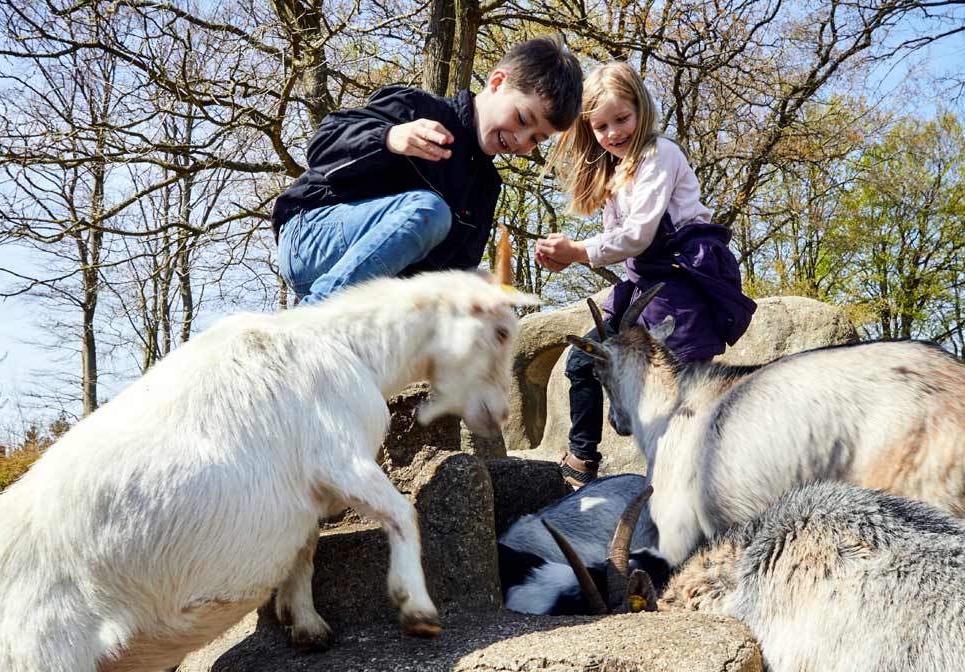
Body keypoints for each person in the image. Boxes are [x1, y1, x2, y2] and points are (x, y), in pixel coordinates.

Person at [537, 62, 757, 489]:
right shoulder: (613, 173)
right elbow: (620, 244)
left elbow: (639, 235)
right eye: (602, 126)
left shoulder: (659, 154)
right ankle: (582, 458)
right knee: (585, 358)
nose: (614, 132)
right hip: (642, 288)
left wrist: (579, 251)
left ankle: (697, 479)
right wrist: (570, 257)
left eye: (622, 118)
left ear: (642, 109)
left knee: (680, 390)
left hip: (680, 284)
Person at [273, 36, 583, 304]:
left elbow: (453, 273)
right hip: (310, 234)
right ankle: (309, 322)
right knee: (430, 212)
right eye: (523, 119)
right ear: (498, 83)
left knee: (478, 283)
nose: (520, 140)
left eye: (536, 140)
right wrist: (389, 138)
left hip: (375, 285)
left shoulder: (485, 188)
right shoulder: (418, 109)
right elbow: (322, 145)